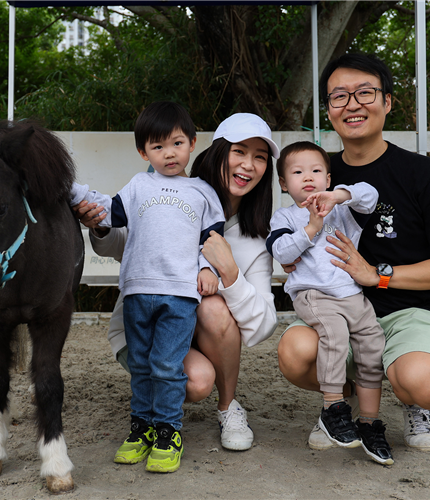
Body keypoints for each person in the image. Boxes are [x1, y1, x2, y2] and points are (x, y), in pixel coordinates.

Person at [277, 53, 430, 452]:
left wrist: (378, 274)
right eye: (339, 97)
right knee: (295, 352)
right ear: (329, 111)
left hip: (409, 312)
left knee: (427, 382)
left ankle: (414, 400)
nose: (352, 104)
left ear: (387, 102)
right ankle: (344, 403)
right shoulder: (315, 171)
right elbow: (286, 232)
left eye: (365, 93)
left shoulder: (422, 174)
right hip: (338, 307)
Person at [74, 112, 280, 454]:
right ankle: (147, 417)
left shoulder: (256, 237)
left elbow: (263, 327)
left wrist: (228, 273)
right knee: (192, 380)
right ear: (216, 152)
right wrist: (99, 225)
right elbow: (116, 242)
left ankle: (229, 408)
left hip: (191, 323)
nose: (249, 165)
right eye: (240, 152)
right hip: (143, 319)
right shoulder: (162, 189)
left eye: (260, 157)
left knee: (211, 314)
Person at [71, 101, 225, 473]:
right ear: (143, 152)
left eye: (176, 143)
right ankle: (140, 428)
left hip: (181, 296)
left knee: (167, 364)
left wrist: (208, 269)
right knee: (141, 364)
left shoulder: (203, 192)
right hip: (138, 291)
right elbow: (108, 211)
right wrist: (73, 192)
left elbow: (213, 239)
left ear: (192, 142)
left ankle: (168, 431)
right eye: (157, 147)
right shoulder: (138, 185)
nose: (168, 153)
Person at [267, 141, 392, 465]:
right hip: (314, 294)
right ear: (283, 183)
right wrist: (311, 228)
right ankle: (333, 407)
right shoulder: (286, 216)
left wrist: (338, 196)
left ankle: (368, 421)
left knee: (372, 343)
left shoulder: (343, 210)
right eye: (297, 172)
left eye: (316, 170)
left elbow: (371, 195)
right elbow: (280, 252)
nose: (307, 177)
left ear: (328, 177)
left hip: (352, 294)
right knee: (334, 334)